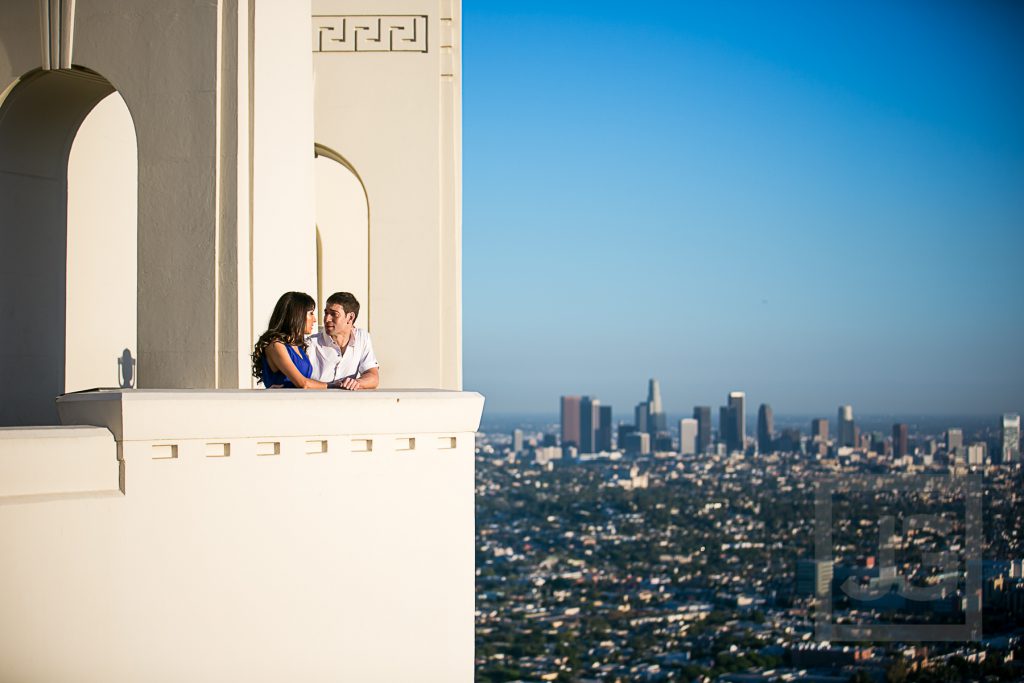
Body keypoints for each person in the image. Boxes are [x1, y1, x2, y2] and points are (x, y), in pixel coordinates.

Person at [251, 291, 331, 389]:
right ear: (297, 315)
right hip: (281, 403)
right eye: (311, 313)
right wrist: (333, 385)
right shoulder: (276, 345)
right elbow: (302, 383)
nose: (314, 319)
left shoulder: (298, 346)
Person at [307, 291, 380, 390]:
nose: (327, 319)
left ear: (350, 317)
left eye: (334, 314)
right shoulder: (311, 343)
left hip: (346, 403)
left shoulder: (362, 337)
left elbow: (373, 377)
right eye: (326, 313)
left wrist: (357, 383)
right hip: (315, 402)